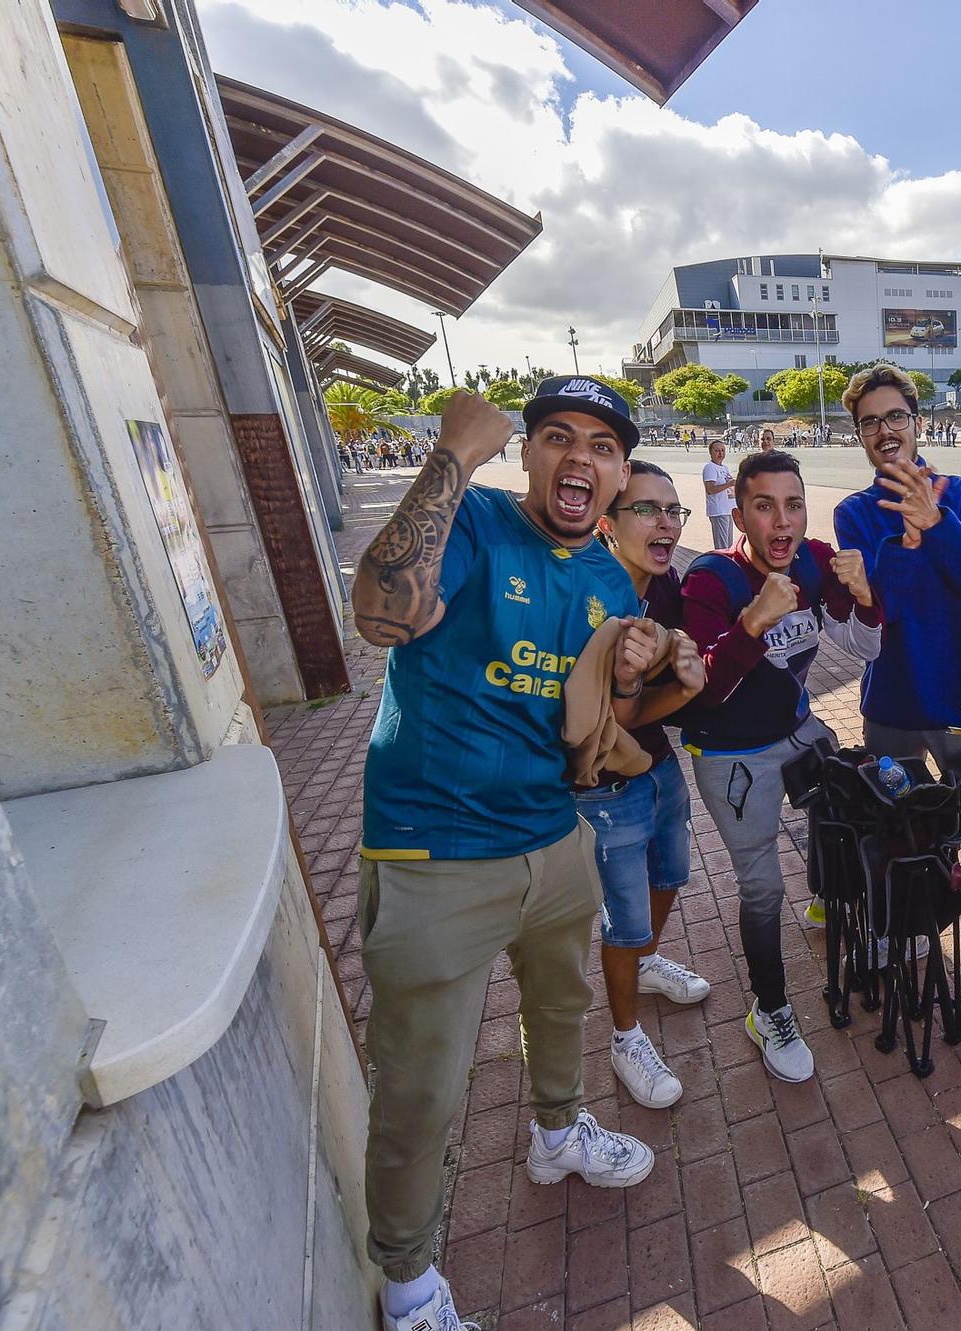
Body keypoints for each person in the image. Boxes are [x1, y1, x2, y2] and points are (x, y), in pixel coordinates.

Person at [351, 383, 659, 1331]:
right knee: (422, 1085)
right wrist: (453, 453)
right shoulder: (477, 520)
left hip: (553, 838)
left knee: (560, 1006)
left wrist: (638, 672)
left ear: (617, 473)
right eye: (557, 437)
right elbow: (380, 615)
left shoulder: (610, 579)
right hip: (433, 851)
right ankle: (409, 1285)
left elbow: (590, 734)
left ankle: (559, 1132)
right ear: (527, 454)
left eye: (602, 446)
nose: (580, 458)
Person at [680, 451, 883, 1083]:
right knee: (763, 886)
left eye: (793, 504)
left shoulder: (815, 560)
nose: (781, 521)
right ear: (738, 514)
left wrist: (868, 599)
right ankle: (769, 1010)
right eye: (763, 505)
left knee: (848, 808)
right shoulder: (710, 581)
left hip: (798, 729)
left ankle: (827, 903)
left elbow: (862, 646)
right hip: (732, 752)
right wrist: (752, 622)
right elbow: (701, 692)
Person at [830, 364, 961, 1040]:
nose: (884, 430)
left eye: (895, 416)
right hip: (893, 704)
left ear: (918, 421)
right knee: (893, 828)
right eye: (869, 421)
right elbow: (888, 607)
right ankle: (909, 931)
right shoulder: (853, 512)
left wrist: (934, 523)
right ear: (858, 435)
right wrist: (907, 546)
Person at [573, 463, 714, 1109]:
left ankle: (650, 965)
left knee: (670, 877)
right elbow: (606, 720)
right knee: (624, 921)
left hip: (658, 766)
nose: (667, 523)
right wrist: (679, 689)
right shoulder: (580, 598)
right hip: (603, 787)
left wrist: (681, 685)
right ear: (607, 524)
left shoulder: (667, 586)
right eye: (648, 510)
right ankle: (624, 1036)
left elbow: (656, 705)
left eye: (675, 510)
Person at [701, 437, 737, 549]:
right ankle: (721, 566)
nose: (720, 453)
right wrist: (729, 484)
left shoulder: (724, 468)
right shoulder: (710, 468)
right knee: (722, 546)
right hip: (719, 511)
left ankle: (730, 565)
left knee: (729, 545)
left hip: (728, 510)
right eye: (717, 451)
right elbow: (710, 489)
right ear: (710, 453)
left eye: (722, 450)